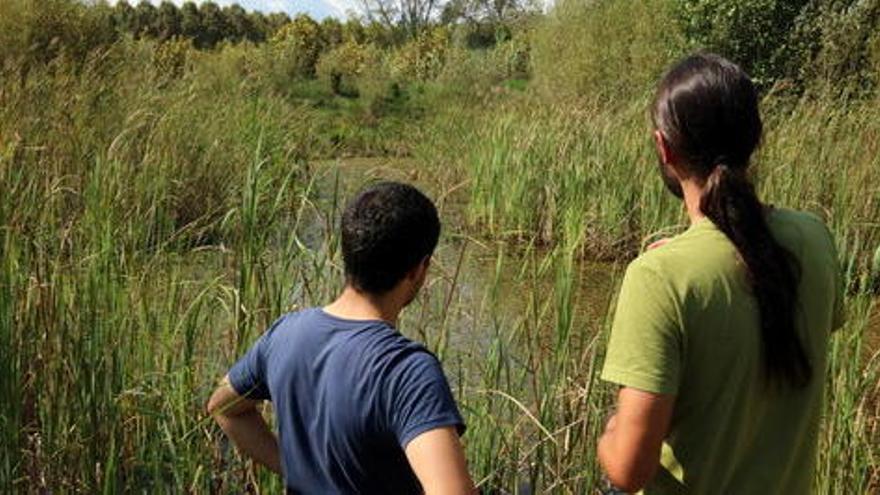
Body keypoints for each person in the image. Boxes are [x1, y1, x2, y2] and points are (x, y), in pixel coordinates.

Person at [596, 53, 845, 494]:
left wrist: (611, 430)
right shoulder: (816, 240)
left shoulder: (658, 278)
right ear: (755, 138)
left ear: (663, 147)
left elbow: (626, 468)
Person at [207, 181, 475, 495]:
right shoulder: (407, 370)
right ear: (419, 269)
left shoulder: (285, 334)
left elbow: (224, 407)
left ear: (347, 252)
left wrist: (296, 470)